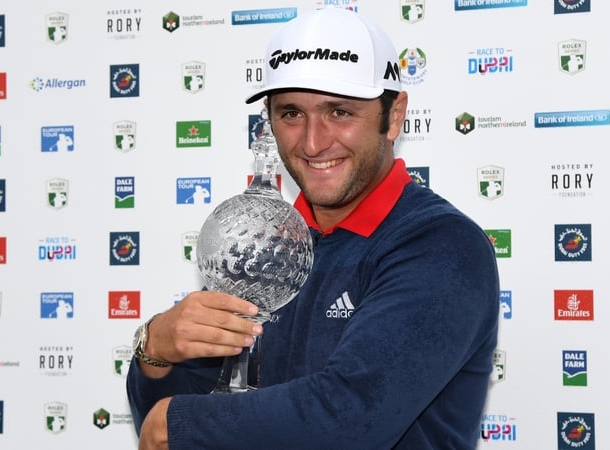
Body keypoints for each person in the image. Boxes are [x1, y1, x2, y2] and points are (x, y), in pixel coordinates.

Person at [127, 7, 499, 449]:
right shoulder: (264, 247)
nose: (312, 142)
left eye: (339, 112)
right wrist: (156, 350)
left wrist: (183, 422)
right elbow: (167, 420)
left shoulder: (441, 246)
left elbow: (350, 415)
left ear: (394, 114)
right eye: (290, 114)